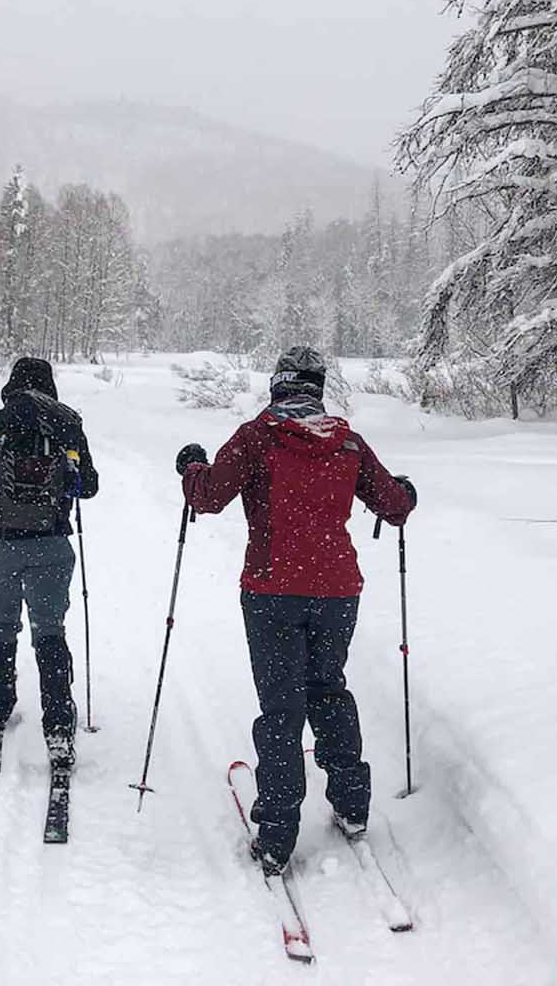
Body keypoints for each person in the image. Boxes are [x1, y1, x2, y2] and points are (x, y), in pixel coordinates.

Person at [176, 347, 416, 875]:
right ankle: (352, 805)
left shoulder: (258, 435)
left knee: (283, 708)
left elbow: (209, 496)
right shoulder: (347, 442)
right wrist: (404, 492)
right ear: (317, 387)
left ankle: (279, 834)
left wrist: (191, 466)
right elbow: (394, 506)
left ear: (278, 385)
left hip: (272, 590)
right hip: (336, 590)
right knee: (328, 689)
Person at [0, 357, 99, 769]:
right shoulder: (68, 424)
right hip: (51, 544)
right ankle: (57, 724)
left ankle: (0, 700)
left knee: (3, 623)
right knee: (49, 631)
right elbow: (88, 486)